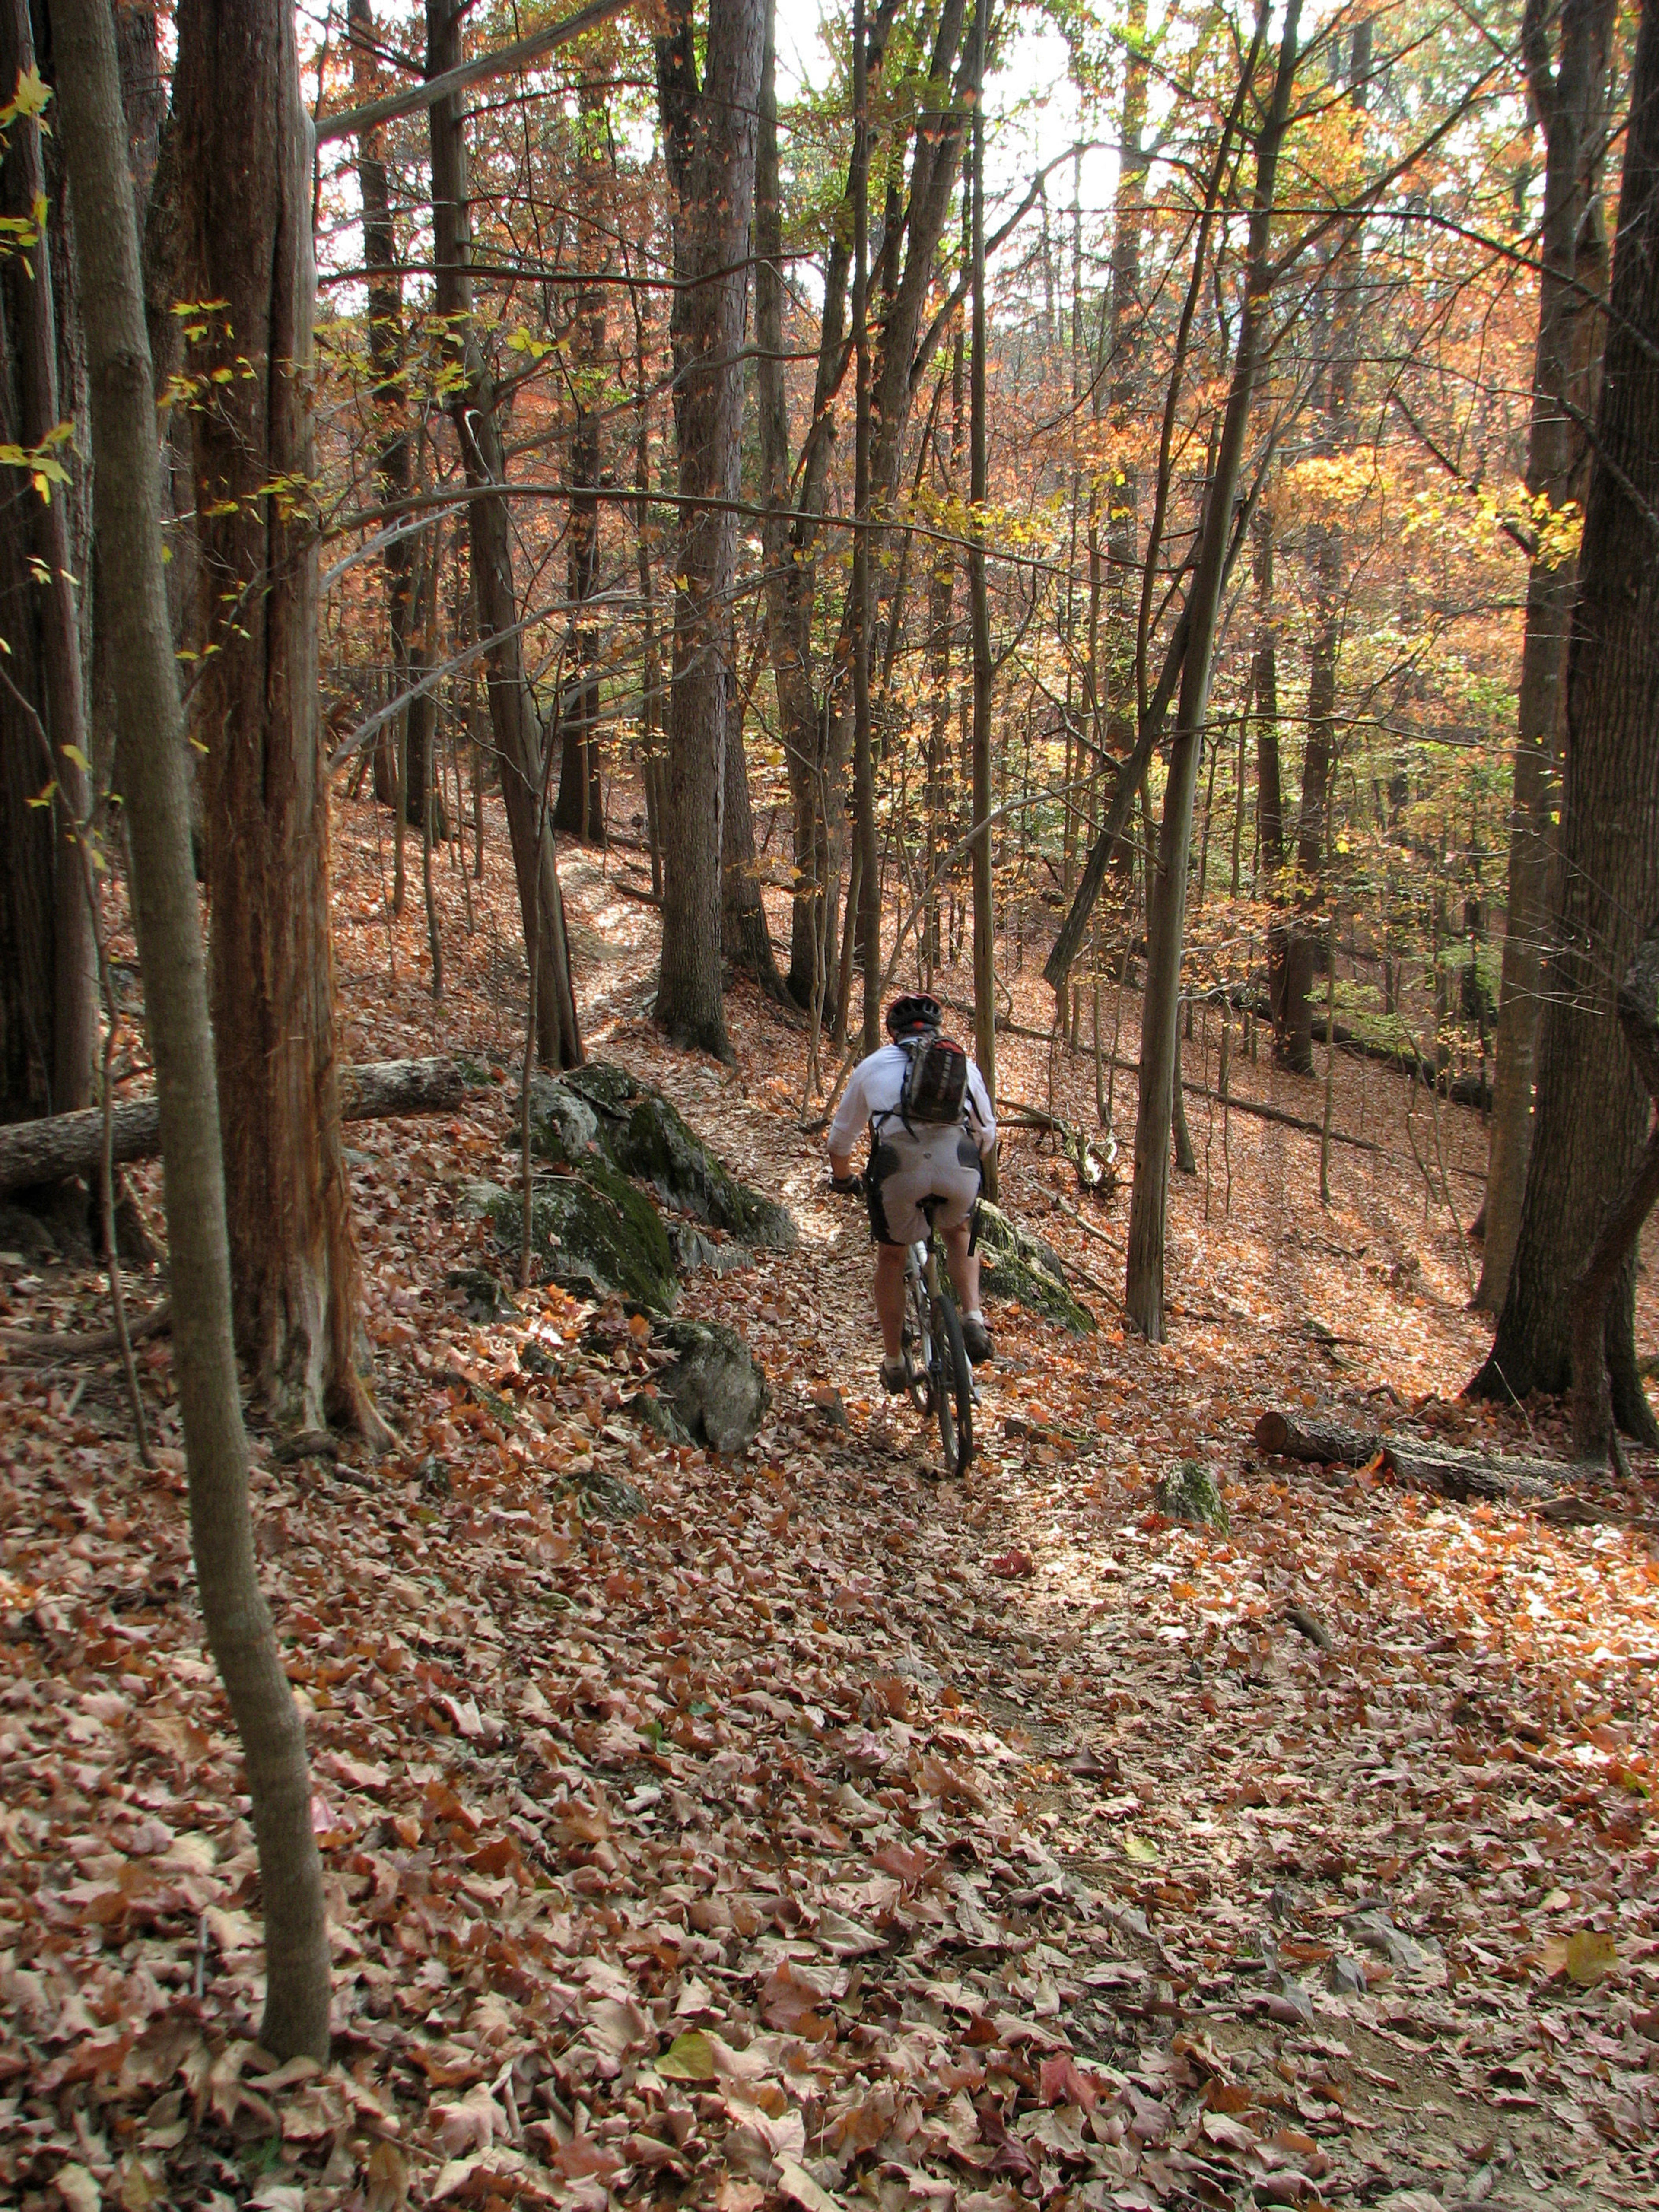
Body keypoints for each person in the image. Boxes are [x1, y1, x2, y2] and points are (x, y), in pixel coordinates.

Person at [827, 992, 997, 1392]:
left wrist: (842, 1179)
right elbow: (987, 1133)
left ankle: (895, 1363)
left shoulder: (872, 1067)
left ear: (893, 1034)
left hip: (898, 1174)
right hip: (959, 1167)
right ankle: (972, 1317)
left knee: (891, 1256)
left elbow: (840, 1142)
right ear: (936, 1030)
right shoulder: (964, 1066)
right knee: (963, 1235)